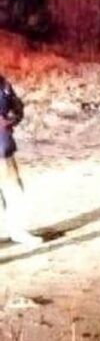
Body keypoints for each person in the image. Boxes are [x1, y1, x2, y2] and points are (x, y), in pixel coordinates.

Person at [0, 74, 42, 245]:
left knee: (14, 189)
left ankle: (17, 230)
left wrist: (11, 119)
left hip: (3, 145)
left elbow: (17, 107)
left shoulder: (3, 84)